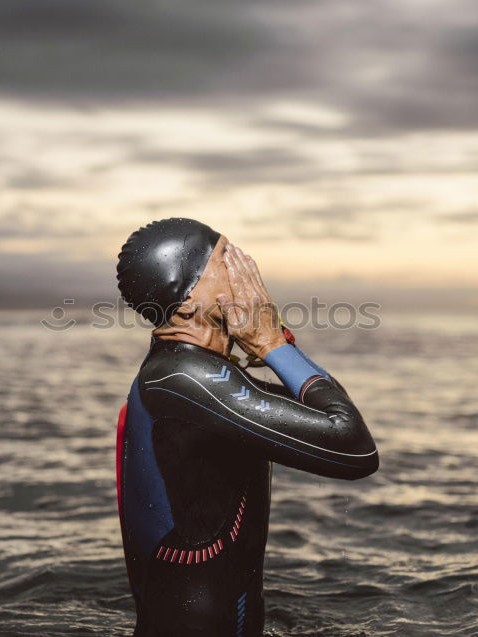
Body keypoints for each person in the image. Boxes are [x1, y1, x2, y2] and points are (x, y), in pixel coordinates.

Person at [115, 218, 379, 636]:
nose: (247, 269)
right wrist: (272, 345)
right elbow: (354, 450)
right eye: (227, 258)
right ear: (185, 301)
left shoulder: (196, 372)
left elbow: (328, 411)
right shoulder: (184, 380)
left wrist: (275, 342)